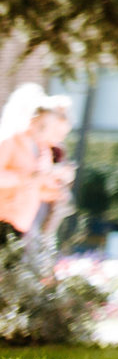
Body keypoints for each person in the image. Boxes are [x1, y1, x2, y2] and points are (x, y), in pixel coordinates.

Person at [0, 86, 74, 257]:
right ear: (32, 118)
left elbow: (38, 187)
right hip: (3, 216)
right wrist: (28, 177)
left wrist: (56, 187)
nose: (46, 130)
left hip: (22, 222)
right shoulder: (11, 141)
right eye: (43, 125)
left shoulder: (43, 150)